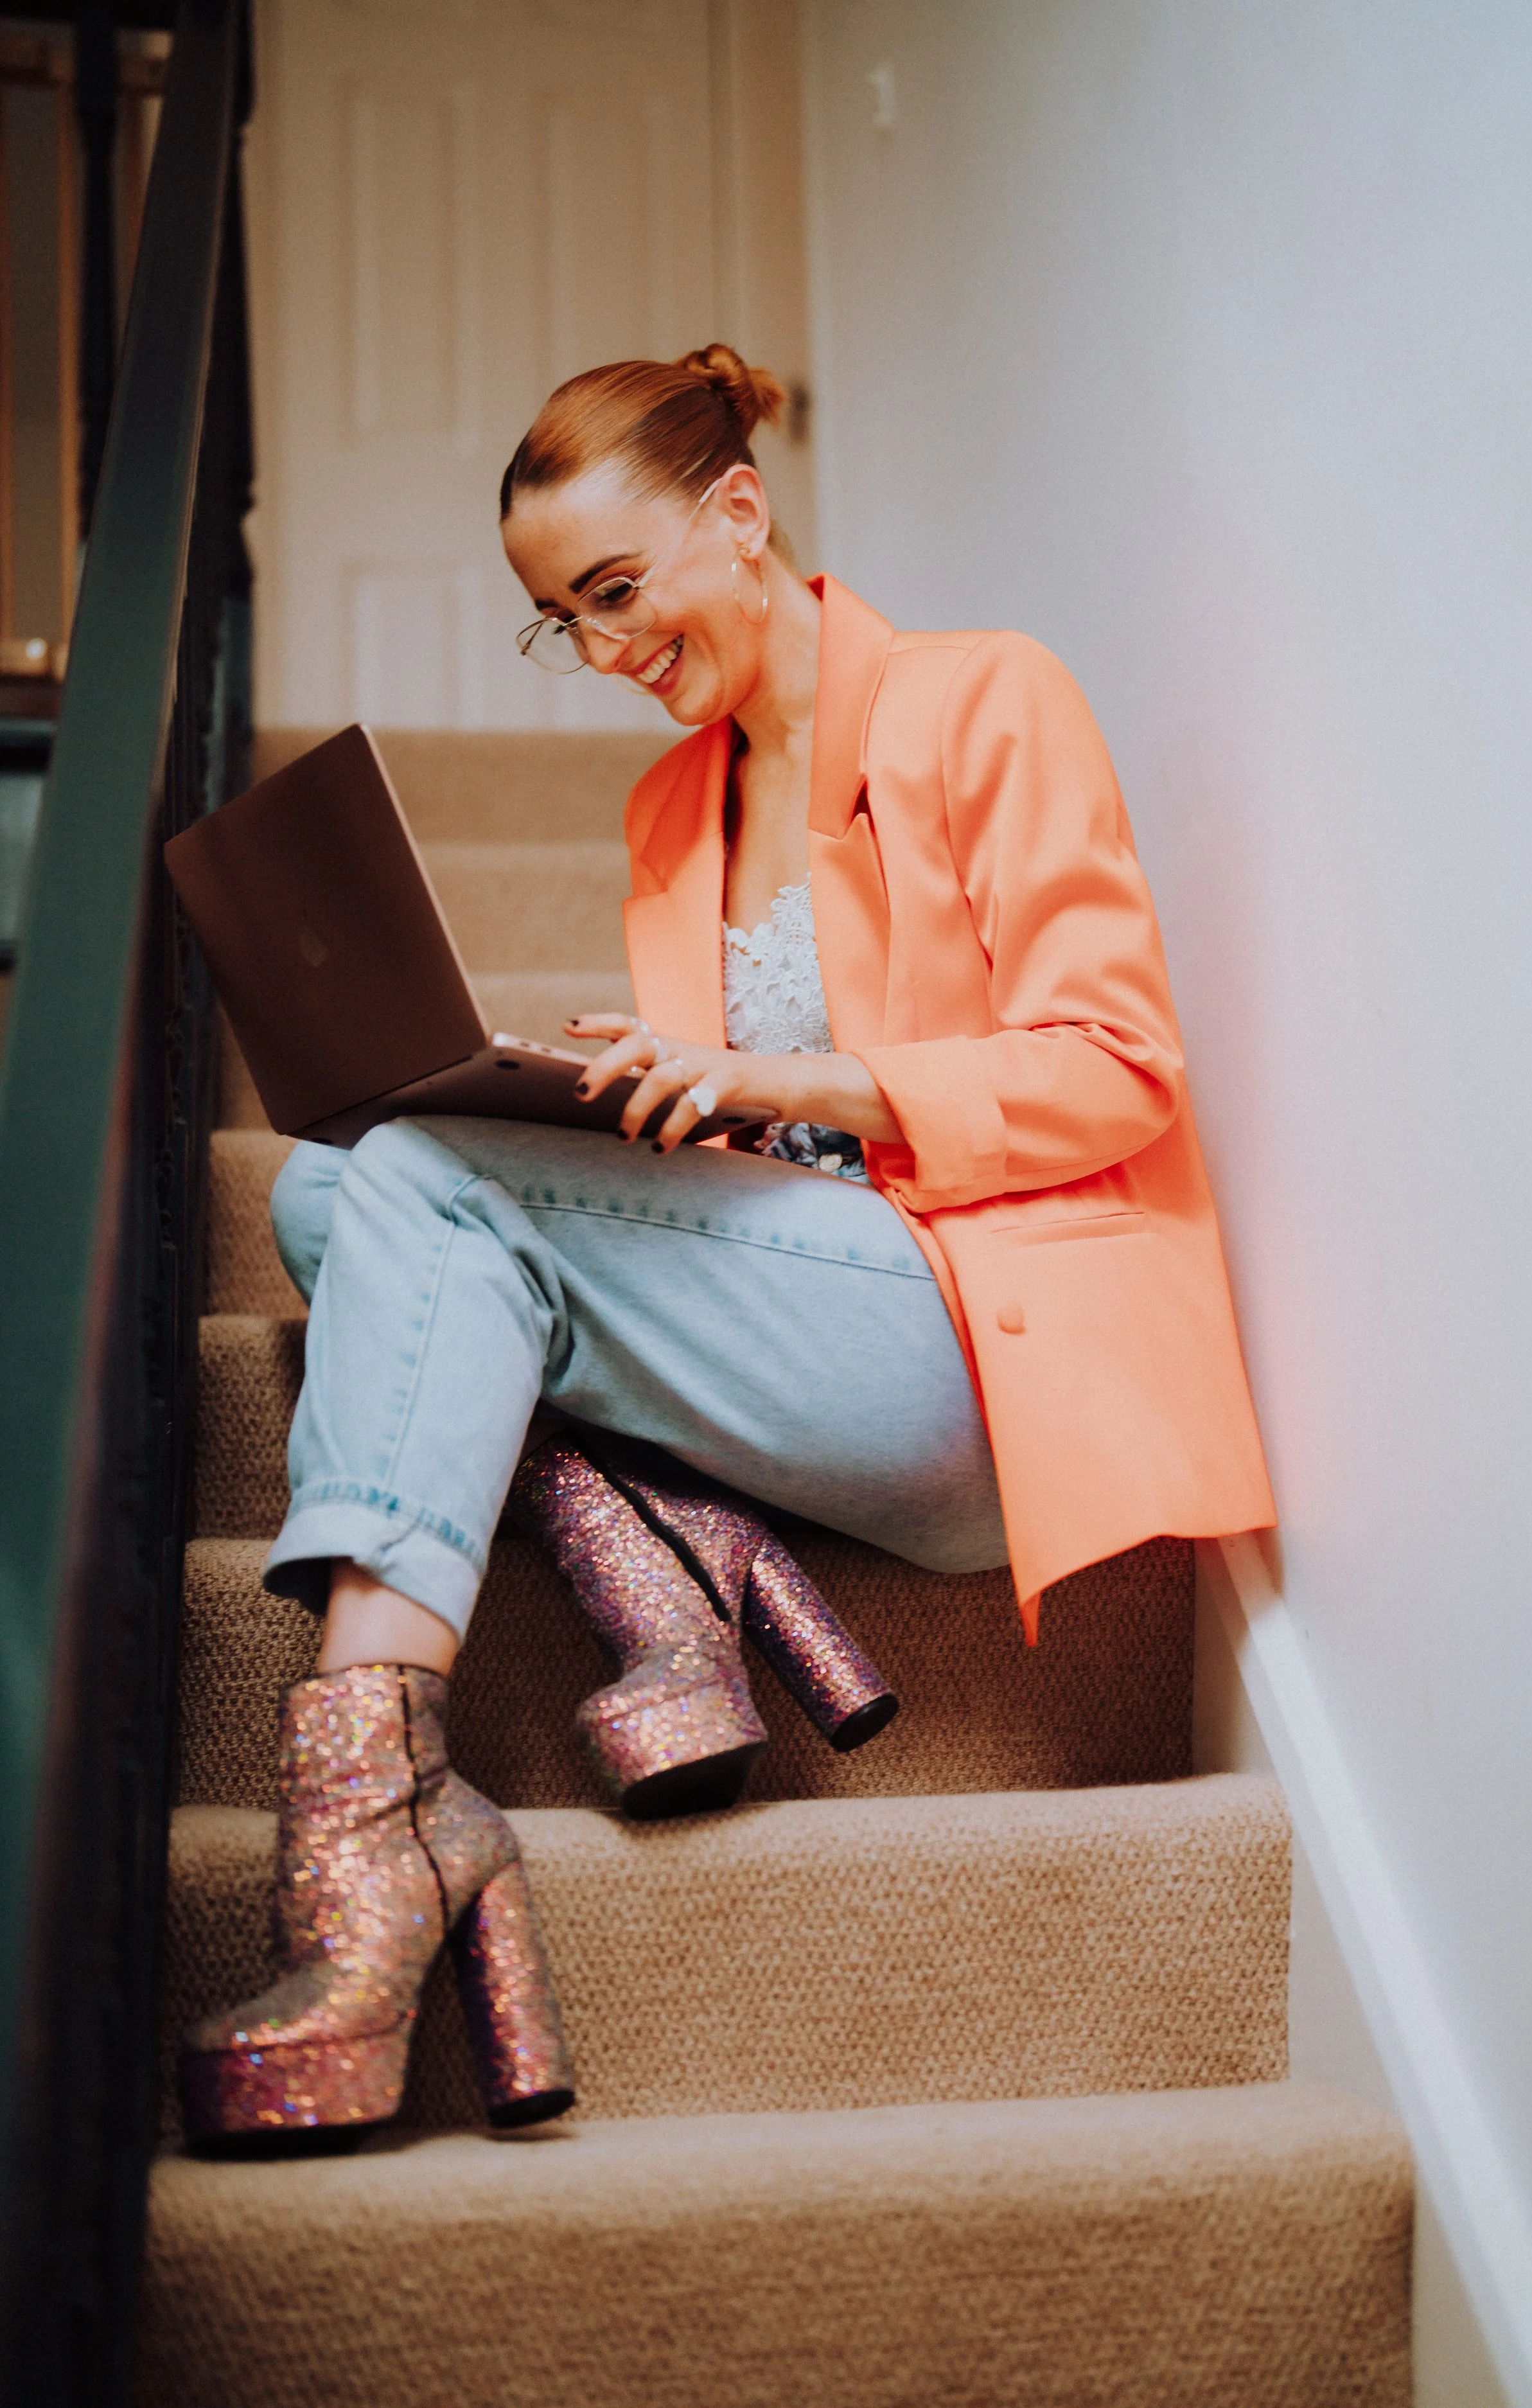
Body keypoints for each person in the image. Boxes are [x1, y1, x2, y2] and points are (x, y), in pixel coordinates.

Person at [179, 344, 1275, 2155]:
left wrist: (781, 1078)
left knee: (426, 1192)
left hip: (973, 1345)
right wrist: (612, 1100)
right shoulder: (670, 812)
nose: (604, 648)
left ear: (741, 514)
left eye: (618, 589)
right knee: (331, 1184)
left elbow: (1116, 1065)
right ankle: (659, 1554)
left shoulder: (983, 700)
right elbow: (745, 1160)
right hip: (801, 1317)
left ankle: (372, 1814)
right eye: (563, 620)